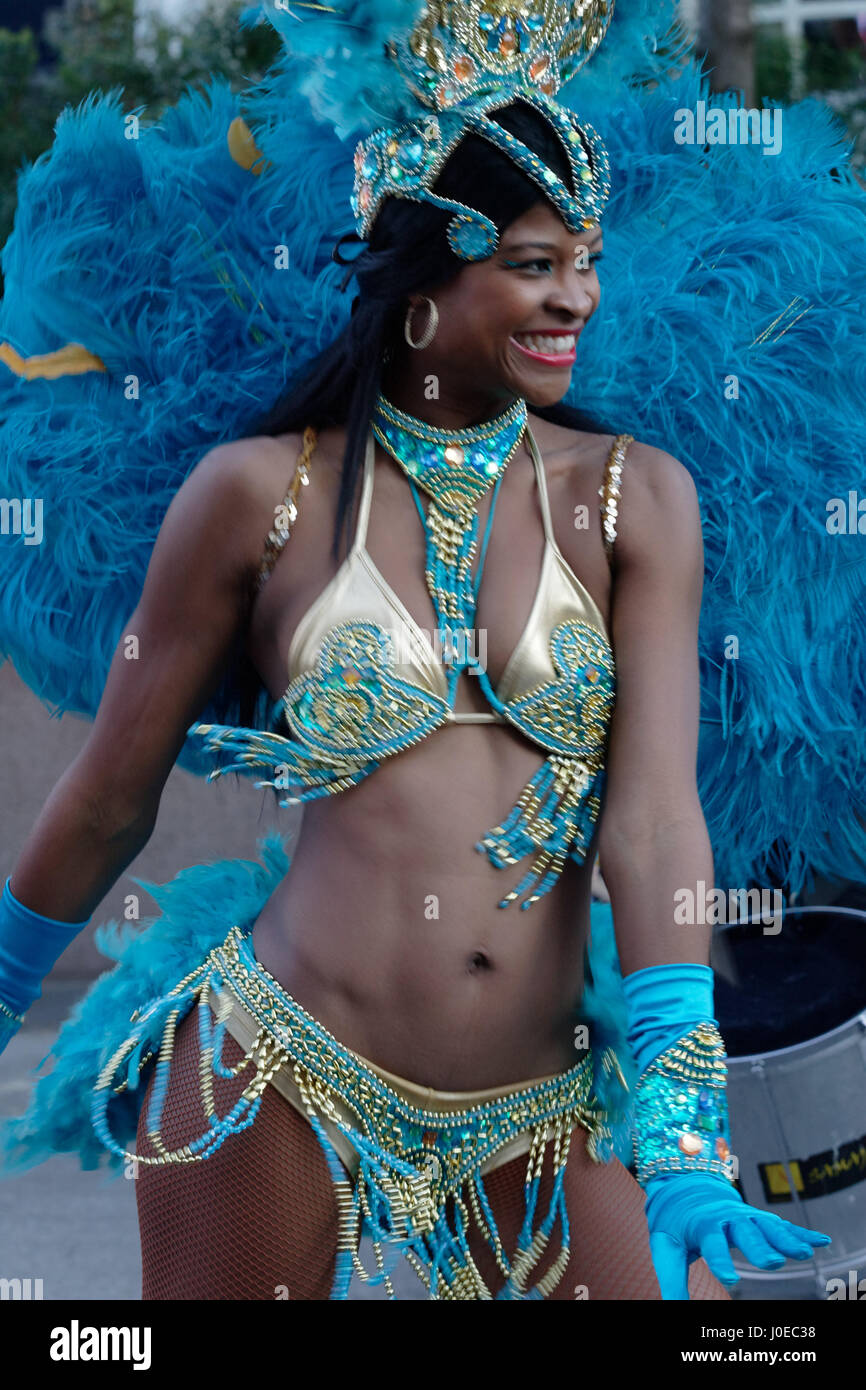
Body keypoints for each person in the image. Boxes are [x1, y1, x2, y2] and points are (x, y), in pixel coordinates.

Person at [0, 0, 852, 1301]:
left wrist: (679, 1135)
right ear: (420, 284)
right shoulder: (253, 496)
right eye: (532, 262)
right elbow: (112, 794)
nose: (577, 294)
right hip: (276, 1066)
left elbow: (655, 825)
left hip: (557, 1082)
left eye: (584, 257)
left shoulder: (636, 499)